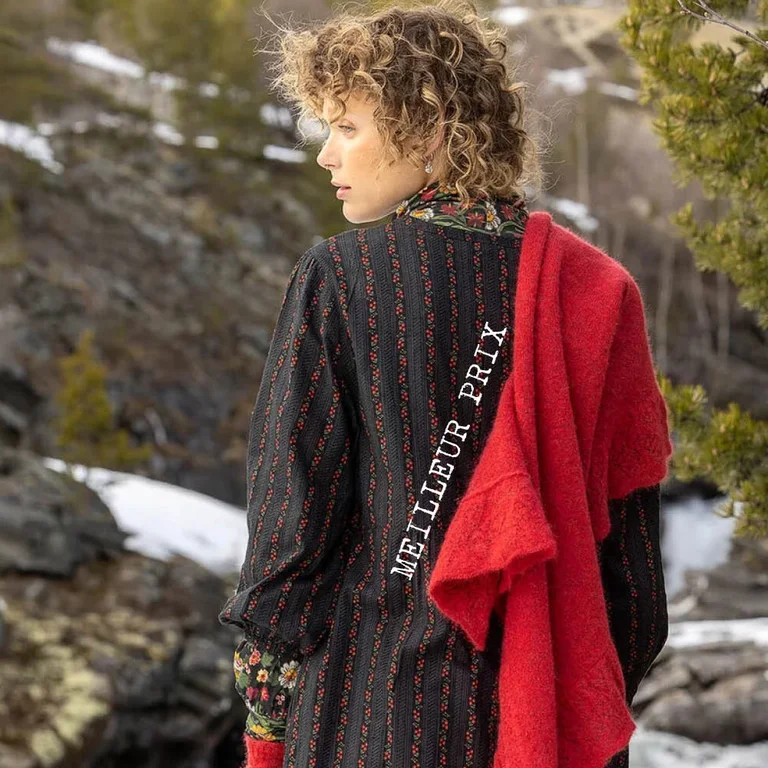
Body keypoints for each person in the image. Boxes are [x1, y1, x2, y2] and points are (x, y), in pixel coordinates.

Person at [218, 1, 669, 767]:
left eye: (348, 127)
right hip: (552, 721)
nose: (326, 155)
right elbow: (631, 576)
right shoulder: (598, 292)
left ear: (429, 131)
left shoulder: (344, 279)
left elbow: (290, 539)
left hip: (369, 715)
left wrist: (267, 721)